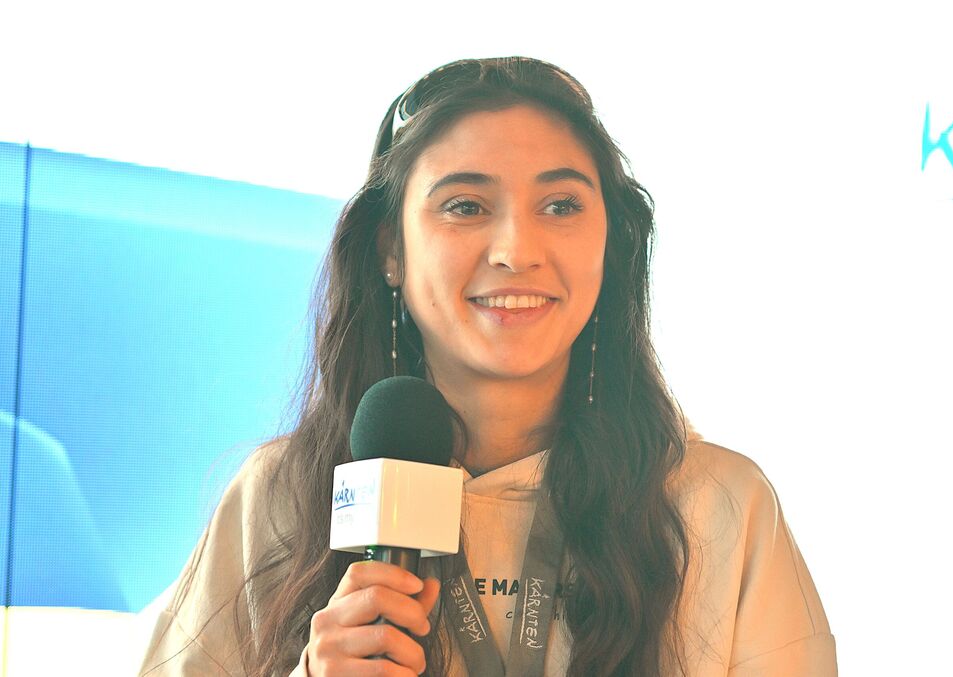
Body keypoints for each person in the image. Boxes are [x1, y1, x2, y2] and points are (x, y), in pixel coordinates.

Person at [139, 57, 837, 676]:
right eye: (466, 206)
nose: (516, 250)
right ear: (389, 250)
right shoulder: (280, 497)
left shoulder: (720, 505)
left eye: (560, 205)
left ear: (611, 243)